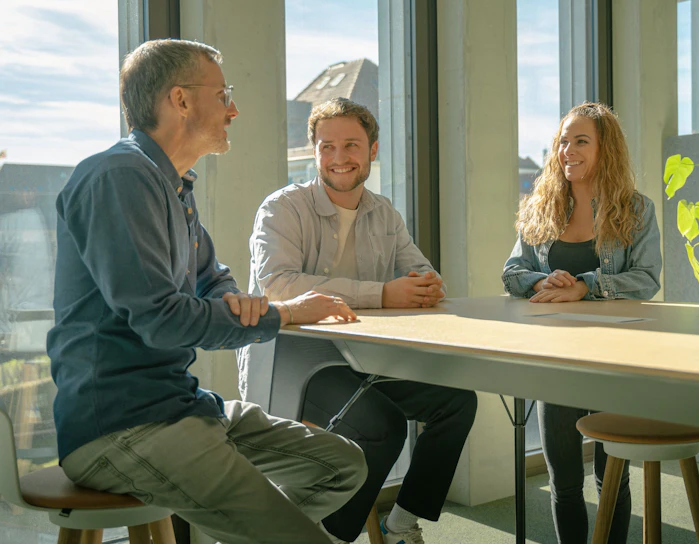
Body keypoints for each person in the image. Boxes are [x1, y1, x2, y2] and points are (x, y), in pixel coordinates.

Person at [48, 39, 367, 544]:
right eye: (223, 94)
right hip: (122, 425)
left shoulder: (175, 185)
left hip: (180, 404)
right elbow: (161, 319)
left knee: (344, 465)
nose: (233, 108)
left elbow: (212, 278)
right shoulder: (119, 178)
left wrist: (234, 299)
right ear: (180, 100)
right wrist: (280, 314)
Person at [244, 98, 478, 544]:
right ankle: (331, 538)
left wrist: (425, 285)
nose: (338, 158)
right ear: (314, 151)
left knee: (457, 403)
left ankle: (399, 525)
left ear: (372, 150)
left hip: (364, 358)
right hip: (296, 362)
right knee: (380, 425)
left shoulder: (384, 213)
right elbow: (277, 285)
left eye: (351, 145)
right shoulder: (282, 208)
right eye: (326, 146)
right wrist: (383, 293)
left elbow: (422, 274)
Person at [501, 102, 662, 544]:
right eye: (563, 141)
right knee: (564, 482)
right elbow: (512, 273)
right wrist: (542, 278)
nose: (567, 149)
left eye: (581, 140)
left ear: (605, 148)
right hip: (558, 360)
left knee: (612, 478)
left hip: (615, 358)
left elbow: (646, 280)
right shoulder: (541, 208)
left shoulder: (636, 210)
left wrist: (585, 286)